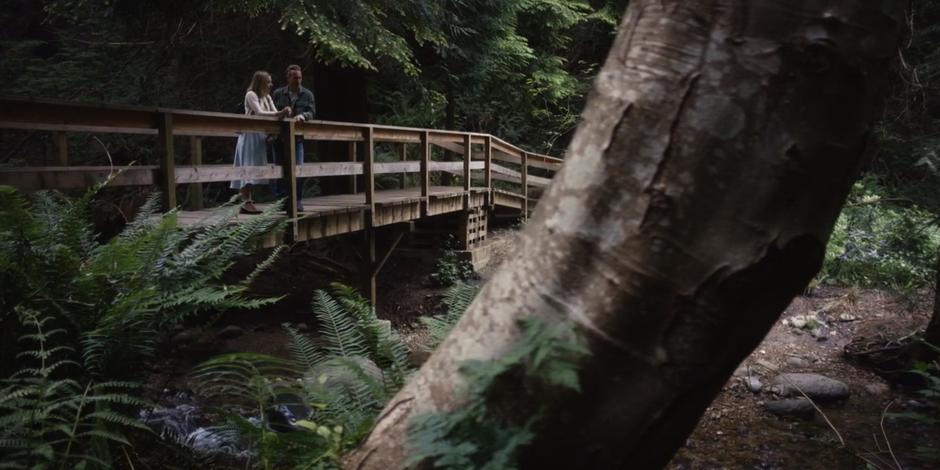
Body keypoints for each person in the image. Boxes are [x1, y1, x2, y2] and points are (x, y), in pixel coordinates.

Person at [231, 70, 291, 214]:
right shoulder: (251, 95)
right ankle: (246, 202)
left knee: (255, 167)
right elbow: (259, 112)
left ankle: (248, 201)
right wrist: (279, 113)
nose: (271, 84)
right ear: (261, 82)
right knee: (247, 166)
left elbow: (274, 112)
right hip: (249, 135)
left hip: (260, 136)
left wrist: (282, 115)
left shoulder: (267, 97)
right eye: (268, 82)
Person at [271, 64, 316, 212]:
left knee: (298, 169)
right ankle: (281, 201)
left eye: (300, 77)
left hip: (297, 138)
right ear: (288, 78)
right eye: (295, 78)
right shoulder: (278, 93)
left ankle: (297, 200)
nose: (298, 80)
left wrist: (303, 116)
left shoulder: (307, 94)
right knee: (279, 169)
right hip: (278, 137)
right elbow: (271, 111)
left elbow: (312, 112)